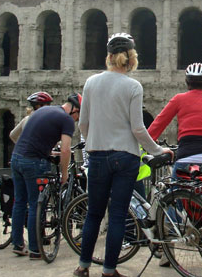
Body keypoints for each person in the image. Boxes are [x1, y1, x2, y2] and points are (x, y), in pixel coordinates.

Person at [73, 33, 172, 277]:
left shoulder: (91, 83)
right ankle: (108, 270)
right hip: (125, 158)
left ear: (108, 56)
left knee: (94, 214)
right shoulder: (133, 86)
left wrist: (95, 139)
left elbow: (82, 124)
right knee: (118, 214)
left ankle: (83, 267)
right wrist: (158, 151)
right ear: (131, 58)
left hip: (96, 155)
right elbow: (138, 128)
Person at [147, 62, 202, 267]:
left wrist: (146, 145)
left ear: (187, 82)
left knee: (169, 198)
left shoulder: (179, 99)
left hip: (188, 157)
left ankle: (167, 251)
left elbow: (157, 125)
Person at [10, 93, 80, 259]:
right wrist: (64, 174)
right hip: (33, 162)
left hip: (16, 157)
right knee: (35, 204)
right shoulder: (67, 120)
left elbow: (28, 136)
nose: (77, 120)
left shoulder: (45, 110)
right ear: (75, 110)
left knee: (20, 202)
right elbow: (65, 150)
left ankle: (18, 244)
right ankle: (35, 249)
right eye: (79, 115)